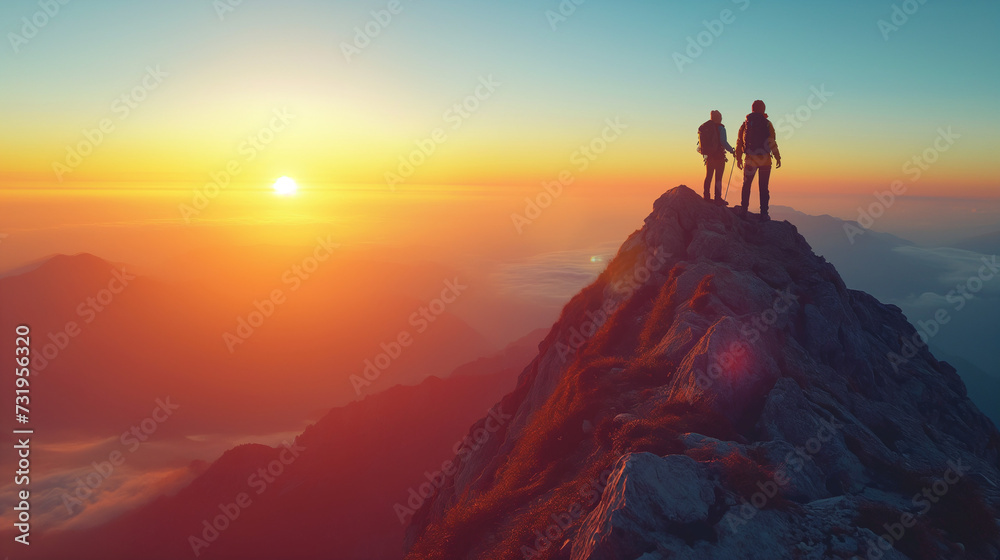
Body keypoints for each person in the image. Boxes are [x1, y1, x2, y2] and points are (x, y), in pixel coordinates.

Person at [734, 100, 781, 220]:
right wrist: (777, 156)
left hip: (750, 159)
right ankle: (764, 213)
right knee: (763, 187)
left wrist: (739, 158)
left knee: (746, 185)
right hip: (765, 160)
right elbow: (772, 141)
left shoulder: (745, 124)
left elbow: (739, 141)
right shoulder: (767, 123)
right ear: (763, 109)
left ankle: (744, 210)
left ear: (752, 109)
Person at [698, 110, 735, 205]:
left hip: (709, 157)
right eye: (721, 117)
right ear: (718, 118)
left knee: (708, 176)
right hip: (719, 156)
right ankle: (717, 198)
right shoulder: (721, 128)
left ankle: (706, 196)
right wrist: (732, 151)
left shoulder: (706, 128)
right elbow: (723, 142)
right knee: (718, 178)